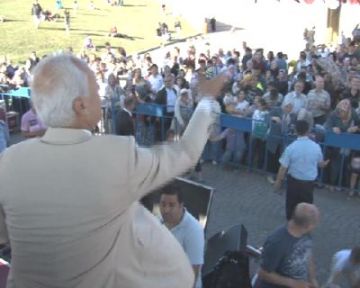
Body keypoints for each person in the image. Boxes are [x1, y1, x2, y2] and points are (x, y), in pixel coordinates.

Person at [0, 53, 226, 287]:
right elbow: (186, 152)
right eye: (96, 91)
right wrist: (208, 99)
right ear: (81, 105)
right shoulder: (118, 155)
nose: (103, 97)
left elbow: (6, 234)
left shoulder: (7, 162)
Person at [256, 203, 320, 288]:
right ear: (307, 226)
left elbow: (307, 254)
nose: (316, 226)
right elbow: (263, 273)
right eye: (315, 224)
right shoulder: (277, 242)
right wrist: (294, 283)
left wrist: (312, 279)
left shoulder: (306, 234)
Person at [274, 120, 328, 220]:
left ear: (296, 131)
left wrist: (278, 182)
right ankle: (304, 226)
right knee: (307, 207)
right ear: (308, 131)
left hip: (294, 181)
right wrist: (324, 164)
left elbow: (283, 167)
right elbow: (320, 163)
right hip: (308, 183)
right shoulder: (316, 147)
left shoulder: (291, 148)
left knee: (291, 205)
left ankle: (291, 225)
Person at [159, 184, 205, 288]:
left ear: (181, 205)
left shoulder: (194, 230)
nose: (166, 210)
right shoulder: (158, 221)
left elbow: (193, 275)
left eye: (171, 205)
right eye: (163, 204)